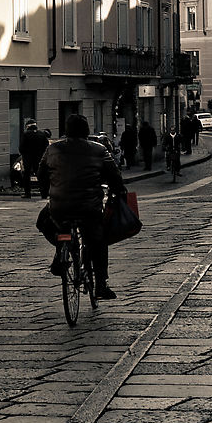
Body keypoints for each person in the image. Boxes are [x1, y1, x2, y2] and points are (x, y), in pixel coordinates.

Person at [36, 114, 126, 297]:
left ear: (66, 130)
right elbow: (115, 176)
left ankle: (61, 250)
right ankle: (101, 284)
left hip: (59, 206)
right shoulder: (99, 150)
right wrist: (119, 191)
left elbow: (41, 173)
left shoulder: (53, 149)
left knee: (44, 222)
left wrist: (47, 191)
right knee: (98, 241)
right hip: (89, 208)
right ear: (86, 130)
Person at [17, 120, 49, 199]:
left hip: (28, 158)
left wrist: (24, 154)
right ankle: (44, 194)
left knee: (26, 175)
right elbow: (46, 145)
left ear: (28, 126)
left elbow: (21, 147)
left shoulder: (26, 134)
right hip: (39, 158)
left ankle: (27, 194)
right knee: (40, 176)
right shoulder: (42, 134)